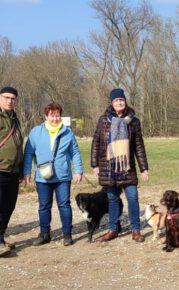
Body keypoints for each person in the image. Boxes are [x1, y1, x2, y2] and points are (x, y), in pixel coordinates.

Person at [91, 88, 149, 242]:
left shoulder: (133, 121)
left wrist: (144, 168)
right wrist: (94, 164)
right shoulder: (104, 120)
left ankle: (135, 230)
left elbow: (139, 146)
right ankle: (113, 229)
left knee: (133, 197)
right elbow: (96, 143)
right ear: (112, 102)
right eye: (116, 100)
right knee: (112, 199)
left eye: (121, 100)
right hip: (109, 167)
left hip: (127, 167)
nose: (119, 103)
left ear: (125, 101)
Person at [23, 102, 83, 246]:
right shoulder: (35, 132)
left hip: (62, 176)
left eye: (57, 115)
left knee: (64, 205)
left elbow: (75, 152)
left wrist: (78, 170)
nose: (55, 118)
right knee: (44, 206)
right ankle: (44, 234)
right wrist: (27, 171)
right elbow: (28, 153)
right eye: (52, 115)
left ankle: (67, 234)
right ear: (46, 116)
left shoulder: (68, 132)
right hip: (43, 177)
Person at [0, 86, 23, 257]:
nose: (10, 101)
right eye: (6, 97)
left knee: (9, 206)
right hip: (0, 169)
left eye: (13, 98)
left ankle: (1, 236)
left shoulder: (15, 119)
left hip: (13, 171)